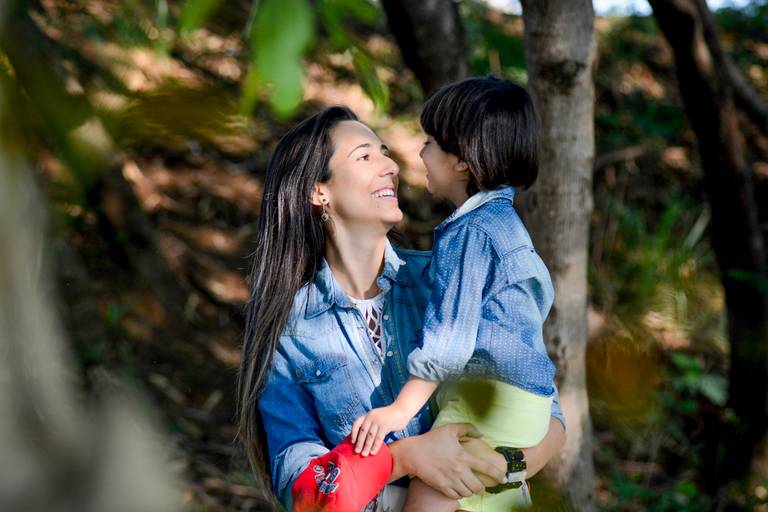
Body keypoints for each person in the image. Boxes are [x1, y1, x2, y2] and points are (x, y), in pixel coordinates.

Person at [236, 105, 566, 511]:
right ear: (318, 191)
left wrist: (499, 466)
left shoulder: (445, 279)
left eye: (385, 152)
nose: (390, 165)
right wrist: (405, 457)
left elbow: (548, 414)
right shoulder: (292, 330)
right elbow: (304, 493)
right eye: (365, 156)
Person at [351, 76, 557, 511]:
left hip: (490, 399)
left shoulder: (472, 235)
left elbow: (449, 341)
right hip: (521, 401)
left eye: (429, 143)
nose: (420, 154)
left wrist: (399, 411)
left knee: (430, 495)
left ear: (462, 159)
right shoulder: (505, 225)